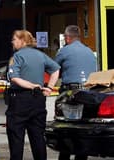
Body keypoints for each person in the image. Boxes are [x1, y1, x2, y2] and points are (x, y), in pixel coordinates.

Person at [6, 30, 60, 160]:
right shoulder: (41, 55)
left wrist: (32, 85)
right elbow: (56, 69)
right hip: (38, 100)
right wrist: (49, 88)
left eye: (14, 39)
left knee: (16, 137)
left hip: (19, 100)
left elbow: (14, 78)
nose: (12, 42)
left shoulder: (17, 56)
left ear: (22, 41)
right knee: (38, 137)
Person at [54, 25, 97, 160]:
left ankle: (65, 155)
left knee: (66, 128)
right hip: (88, 91)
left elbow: (54, 69)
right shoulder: (89, 51)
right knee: (83, 127)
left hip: (71, 92)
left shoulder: (64, 51)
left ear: (67, 38)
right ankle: (81, 156)